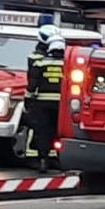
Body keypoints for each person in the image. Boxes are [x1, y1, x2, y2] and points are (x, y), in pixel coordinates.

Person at [25, 32, 65, 173]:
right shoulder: (67, 65)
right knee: (57, 132)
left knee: (42, 131)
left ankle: (43, 160)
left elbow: (32, 84)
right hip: (61, 105)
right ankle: (56, 157)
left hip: (42, 104)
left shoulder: (40, 62)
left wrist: (28, 100)